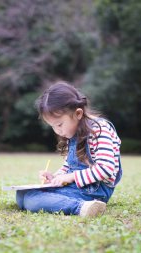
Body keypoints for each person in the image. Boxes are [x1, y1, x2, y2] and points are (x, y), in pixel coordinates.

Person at [16, 81, 122, 217]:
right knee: (22, 195)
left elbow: (106, 169)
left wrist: (70, 177)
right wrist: (55, 177)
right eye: (53, 126)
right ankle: (70, 202)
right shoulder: (72, 133)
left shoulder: (99, 129)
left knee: (32, 200)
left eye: (59, 124)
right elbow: (68, 167)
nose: (57, 131)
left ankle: (82, 207)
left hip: (95, 189)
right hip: (77, 187)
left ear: (78, 113)